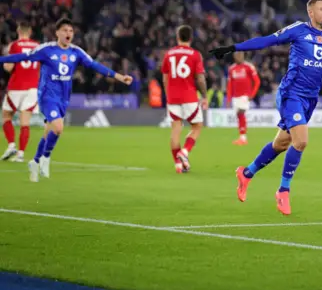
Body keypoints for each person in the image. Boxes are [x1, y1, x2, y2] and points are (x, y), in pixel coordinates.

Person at [210, 0, 322, 215]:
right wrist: (233, 47)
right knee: (301, 141)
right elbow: (267, 40)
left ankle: (246, 174)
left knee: (282, 144)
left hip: (310, 99)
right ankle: (283, 191)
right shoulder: (298, 30)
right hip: (291, 94)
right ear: (311, 13)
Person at [0, 18, 133, 182]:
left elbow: (95, 66)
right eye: (64, 30)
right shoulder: (46, 49)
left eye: (70, 31)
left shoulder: (76, 52)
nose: (68, 33)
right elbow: (20, 57)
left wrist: (119, 76)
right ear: (57, 33)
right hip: (47, 95)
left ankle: (34, 162)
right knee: (58, 128)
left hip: (63, 97)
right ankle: (45, 158)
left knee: (48, 132)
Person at [161, 25, 208, 173]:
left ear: (177, 37)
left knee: (175, 130)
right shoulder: (195, 54)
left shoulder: (169, 54)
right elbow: (200, 78)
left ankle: (178, 164)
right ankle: (185, 152)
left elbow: (165, 78)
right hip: (189, 97)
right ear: (191, 38)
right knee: (197, 126)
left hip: (173, 97)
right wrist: (205, 96)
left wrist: (168, 95)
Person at [1, 22, 40, 163]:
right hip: (33, 87)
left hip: (16, 86)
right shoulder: (37, 46)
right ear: (30, 32)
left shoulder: (14, 45)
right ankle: (21, 154)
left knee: (6, 116)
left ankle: (11, 145)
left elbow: (9, 67)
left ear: (18, 31)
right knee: (25, 122)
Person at [226, 52, 261, 145]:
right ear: (234, 57)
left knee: (241, 113)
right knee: (239, 115)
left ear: (243, 56)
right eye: (237, 56)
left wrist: (252, 95)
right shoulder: (231, 69)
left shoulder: (249, 67)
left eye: (240, 55)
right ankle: (242, 136)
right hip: (235, 97)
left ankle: (243, 138)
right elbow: (229, 85)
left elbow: (257, 81)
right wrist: (229, 98)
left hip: (245, 96)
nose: (238, 57)